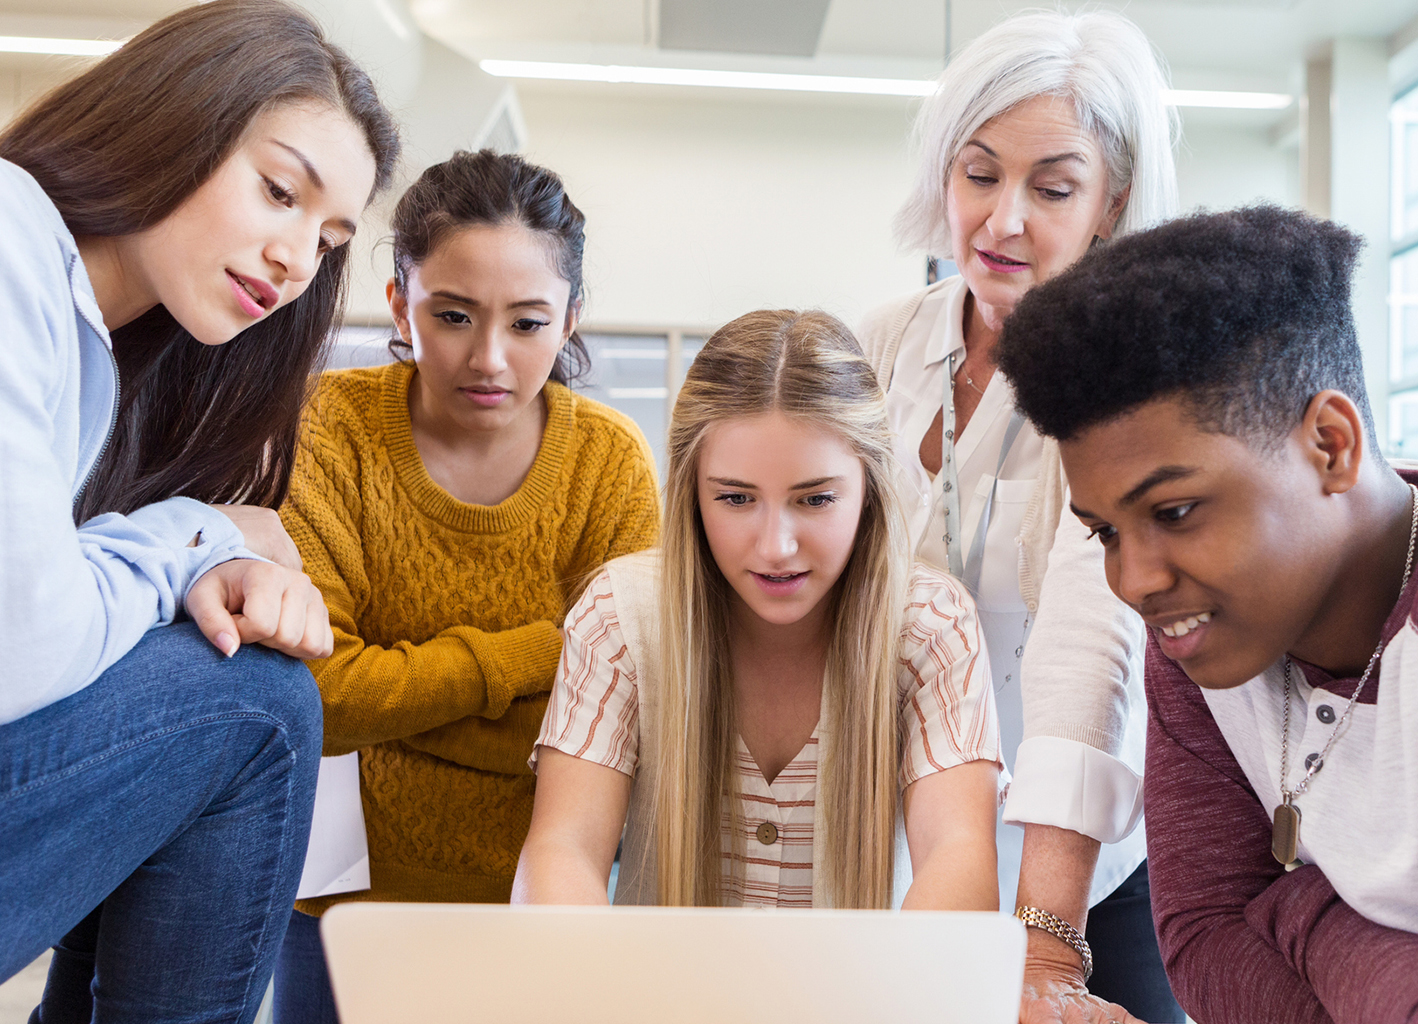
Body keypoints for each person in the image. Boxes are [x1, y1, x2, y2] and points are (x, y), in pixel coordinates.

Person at [995, 203, 1418, 1023]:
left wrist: (1296, 914)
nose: (1135, 580)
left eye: (1174, 512)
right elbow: (1205, 943)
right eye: (1105, 531)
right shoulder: (1199, 636)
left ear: (1330, 445)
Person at [0, 1, 399, 1020]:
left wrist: (191, 553)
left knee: (210, 679)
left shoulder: (113, 364)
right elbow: (24, 642)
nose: (296, 259)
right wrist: (197, 535)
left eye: (329, 237)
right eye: (278, 191)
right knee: (257, 705)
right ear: (177, 116)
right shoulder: (8, 233)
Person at [271, 150, 661, 1022]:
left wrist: (401, 716)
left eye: (527, 323)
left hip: (543, 902)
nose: (489, 358)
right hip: (339, 912)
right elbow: (318, 700)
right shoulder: (329, 431)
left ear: (571, 322)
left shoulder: (607, 464)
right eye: (453, 315)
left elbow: (620, 719)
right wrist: (538, 655)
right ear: (399, 303)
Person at [858, 10, 1180, 1021]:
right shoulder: (881, 345)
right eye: (979, 174)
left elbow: (1088, 656)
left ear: (1108, 202)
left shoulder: (1135, 378)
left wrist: (1046, 950)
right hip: (908, 843)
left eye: (1051, 188)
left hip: (1084, 871)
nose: (1002, 220)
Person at [512, 309, 1002, 911]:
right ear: (692, 489)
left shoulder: (933, 625)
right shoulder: (619, 617)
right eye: (737, 498)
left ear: (870, 487)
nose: (775, 547)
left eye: (816, 499)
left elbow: (958, 854)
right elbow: (563, 851)